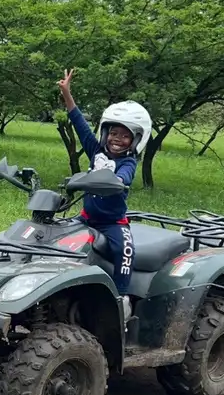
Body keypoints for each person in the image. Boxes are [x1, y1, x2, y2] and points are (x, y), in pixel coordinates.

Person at [57, 70, 153, 302]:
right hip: (86, 216)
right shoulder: (96, 150)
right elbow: (79, 124)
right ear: (105, 133)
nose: (117, 139)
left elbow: (124, 178)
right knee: (57, 234)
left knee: (125, 251)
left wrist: (117, 183)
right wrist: (67, 93)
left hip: (112, 222)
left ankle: (121, 297)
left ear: (136, 140)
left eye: (125, 136)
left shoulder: (128, 161)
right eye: (113, 133)